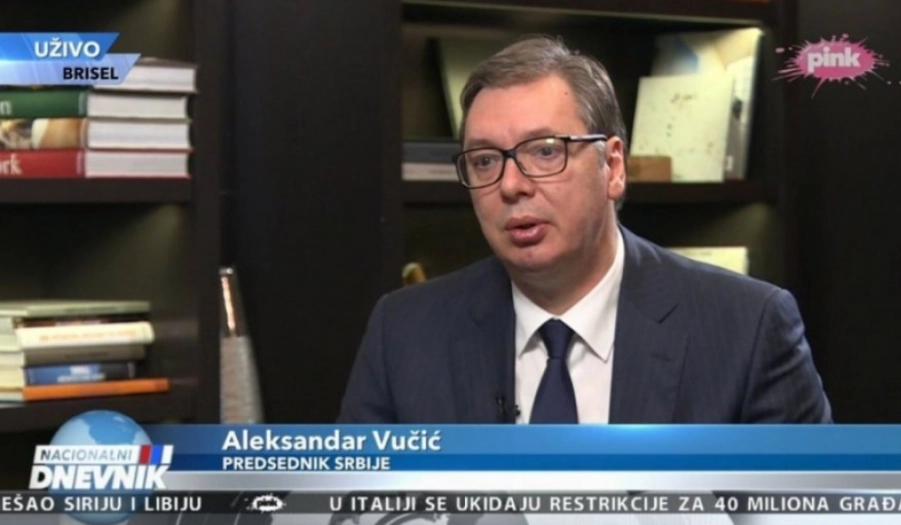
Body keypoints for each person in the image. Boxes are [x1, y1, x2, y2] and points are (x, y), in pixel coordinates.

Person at [338, 36, 831, 424]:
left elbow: (805, 505)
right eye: (485, 160)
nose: (510, 185)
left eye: (545, 151)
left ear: (613, 168)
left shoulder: (747, 330)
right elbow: (353, 504)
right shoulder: (404, 334)